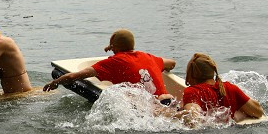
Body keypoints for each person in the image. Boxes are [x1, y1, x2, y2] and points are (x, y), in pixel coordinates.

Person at [43, 29, 176, 103]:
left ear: (114, 47)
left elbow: (74, 76)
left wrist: (56, 82)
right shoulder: (149, 57)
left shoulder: (113, 62)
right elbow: (172, 63)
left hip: (147, 108)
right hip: (166, 102)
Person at [178, 53, 263, 124]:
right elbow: (258, 112)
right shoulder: (230, 88)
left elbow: (192, 119)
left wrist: (174, 115)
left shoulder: (192, 92)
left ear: (191, 74)